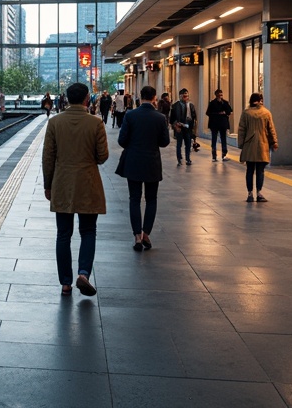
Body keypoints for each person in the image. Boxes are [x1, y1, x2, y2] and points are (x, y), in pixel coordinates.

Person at [43, 82, 109, 297]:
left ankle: (65, 282)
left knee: (63, 234)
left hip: (62, 184)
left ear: (66, 99)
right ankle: (83, 273)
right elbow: (102, 156)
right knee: (88, 231)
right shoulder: (95, 123)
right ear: (86, 99)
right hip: (88, 184)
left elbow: (48, 158)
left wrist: (47, 184)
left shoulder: (54, 122)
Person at [115, 85, 169, 252]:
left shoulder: (130, 115)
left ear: (140, 96)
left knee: (134, 199)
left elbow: (122, 140)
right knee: (151, 199)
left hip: (133, 162)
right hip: (152, 162)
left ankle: (137, 236)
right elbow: (164, 142)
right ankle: (146, 233)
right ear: (154, 97)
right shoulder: (160, 118)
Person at [236, 93, 277, 202]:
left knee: (249, 170)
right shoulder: (266, 113)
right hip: (262, 145)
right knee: (260, 171)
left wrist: (241, 143)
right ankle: (259, 193)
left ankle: (250, 194)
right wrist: (274, 142)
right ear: (260, 100)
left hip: (249, 145)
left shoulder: (246, 113)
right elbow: (271, 129)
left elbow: (241, 129)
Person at [169, 88, 197, 166]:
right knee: (179, 144)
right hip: (179, 128)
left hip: (188, 128)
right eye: (184, 96)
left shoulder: (191, 105)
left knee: (188, 144)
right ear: (180, 96)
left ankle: (188, 158)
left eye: (187, 96)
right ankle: (179, 159)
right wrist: (176, 126)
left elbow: (194, 118)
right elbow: (171, 119)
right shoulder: (175, 106)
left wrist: (194, 130)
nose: (186, 98)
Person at [206, 88, 234, 161]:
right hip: (215, 124)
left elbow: (230, 111)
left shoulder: (225, 102)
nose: (220, 96)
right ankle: (214, 155)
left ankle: (223, 154)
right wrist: (217, 114)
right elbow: (208, 113)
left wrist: (225, 112)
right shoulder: (212, 103)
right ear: (216, 95)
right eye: (219, 95)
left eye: (221, 95)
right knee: (214, 139)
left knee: (223, 139)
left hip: (222, 124)